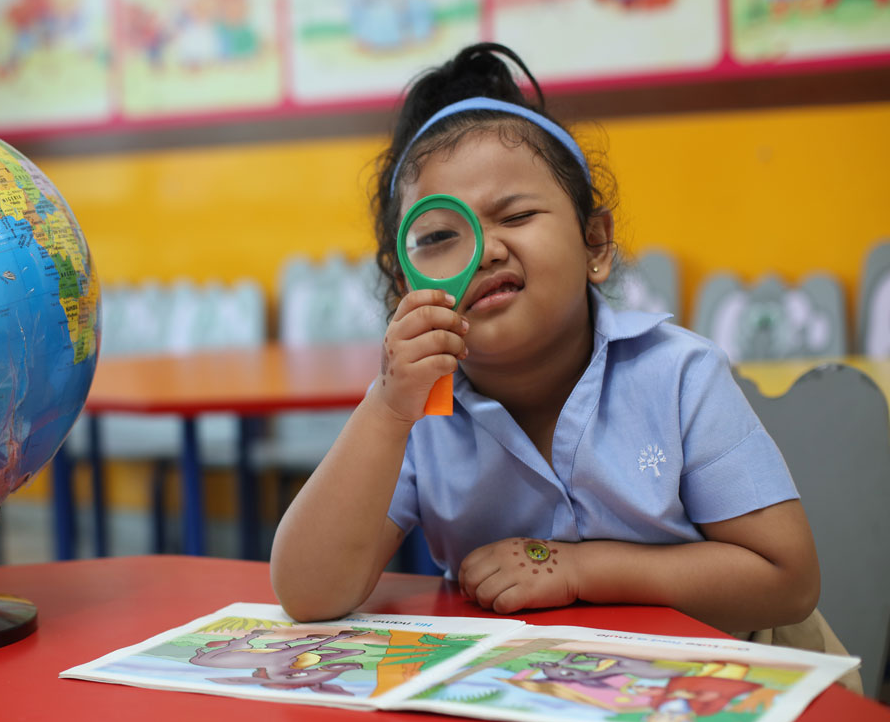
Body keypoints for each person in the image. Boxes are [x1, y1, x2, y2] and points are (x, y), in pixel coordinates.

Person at [269, 43, 821, 639]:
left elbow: (787, 580)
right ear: (406, 282)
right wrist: (384, 408)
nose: (485, 250)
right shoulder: (417, 413)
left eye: (516, 216)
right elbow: (308, 593)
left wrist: (580, 570)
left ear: (595, 243)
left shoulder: (680, 376)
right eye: (438, 238)